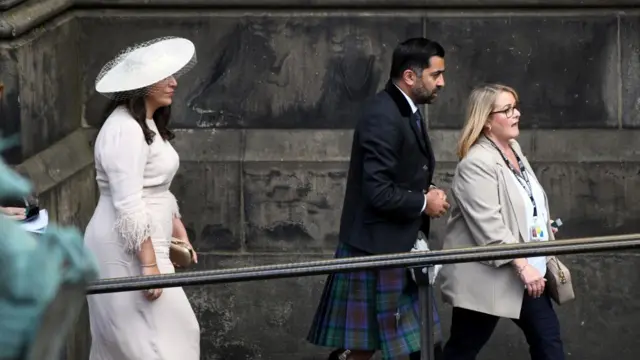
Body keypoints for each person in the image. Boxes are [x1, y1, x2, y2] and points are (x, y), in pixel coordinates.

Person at [307, 37, 450, 360]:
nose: (442, 82)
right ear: (410, 76)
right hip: (376, 248)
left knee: (409, 345)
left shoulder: (404, 110)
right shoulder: (383, 114)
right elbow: (378, 192)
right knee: (377, 347)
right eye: (435, 74)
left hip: (394, 245)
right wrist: (424, 203)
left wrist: (423, 193)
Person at [84, 36, 200, 360]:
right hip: (125, 250)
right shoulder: (123, 128)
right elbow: (128, 203)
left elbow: (157, 185)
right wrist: (149, 265)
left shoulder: (147, 123)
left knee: (170, 339)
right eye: (166, 77)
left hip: (149, 244)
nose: (174, 82)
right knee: (153, 345)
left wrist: (178, 232)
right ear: (143, 83)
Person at [439, 84, 565, 360]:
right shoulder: (476, 163)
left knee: (549, 344)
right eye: (506, 110)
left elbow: (522, 200)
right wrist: (523, 266)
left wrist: (539, 226)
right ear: (485, 121)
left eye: (515, 107)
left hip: (528, 272)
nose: (516, 114)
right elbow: (489, 225)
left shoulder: (514, 149)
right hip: (490, 278)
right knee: (462, 350)